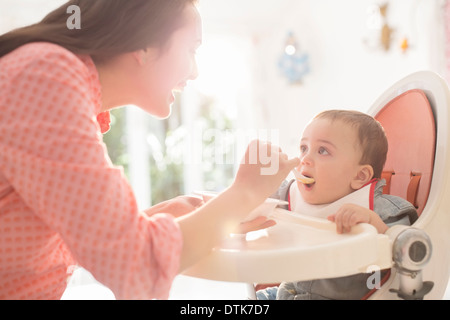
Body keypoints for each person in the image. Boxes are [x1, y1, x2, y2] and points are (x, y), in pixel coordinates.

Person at [0, 0, 299, 300]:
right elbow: (135, 265)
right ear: (143, 43)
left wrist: (155, 220)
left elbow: (73, 242)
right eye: (191, 49)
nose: (194, 72)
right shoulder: (45, 77)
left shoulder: (57, 82)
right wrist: (245, 192)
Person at [256, 110, 418, 300]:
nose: (304, 159)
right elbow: (251, 202)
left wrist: (375, 226)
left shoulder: (382, 212)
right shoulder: (288, 193)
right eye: (303, 148)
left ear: (360, 176)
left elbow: (408, 253)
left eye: (322, 150)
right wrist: (259, 184)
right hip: (288, 293)